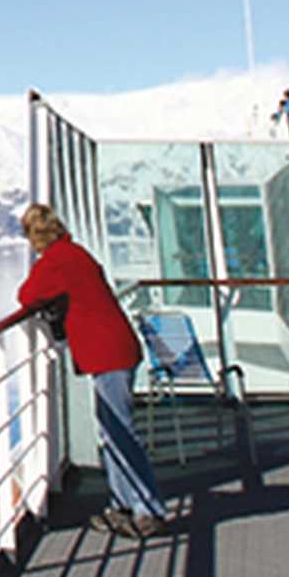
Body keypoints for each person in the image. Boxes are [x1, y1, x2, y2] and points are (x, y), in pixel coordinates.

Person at [15, 203, 171, 538]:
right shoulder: (75, 252)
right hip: (114, 348)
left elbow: (27, 295)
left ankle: (149, 509)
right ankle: (122, 505)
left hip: (108, 353)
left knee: (120, 432)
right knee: (111, 430)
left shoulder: (57, 260)